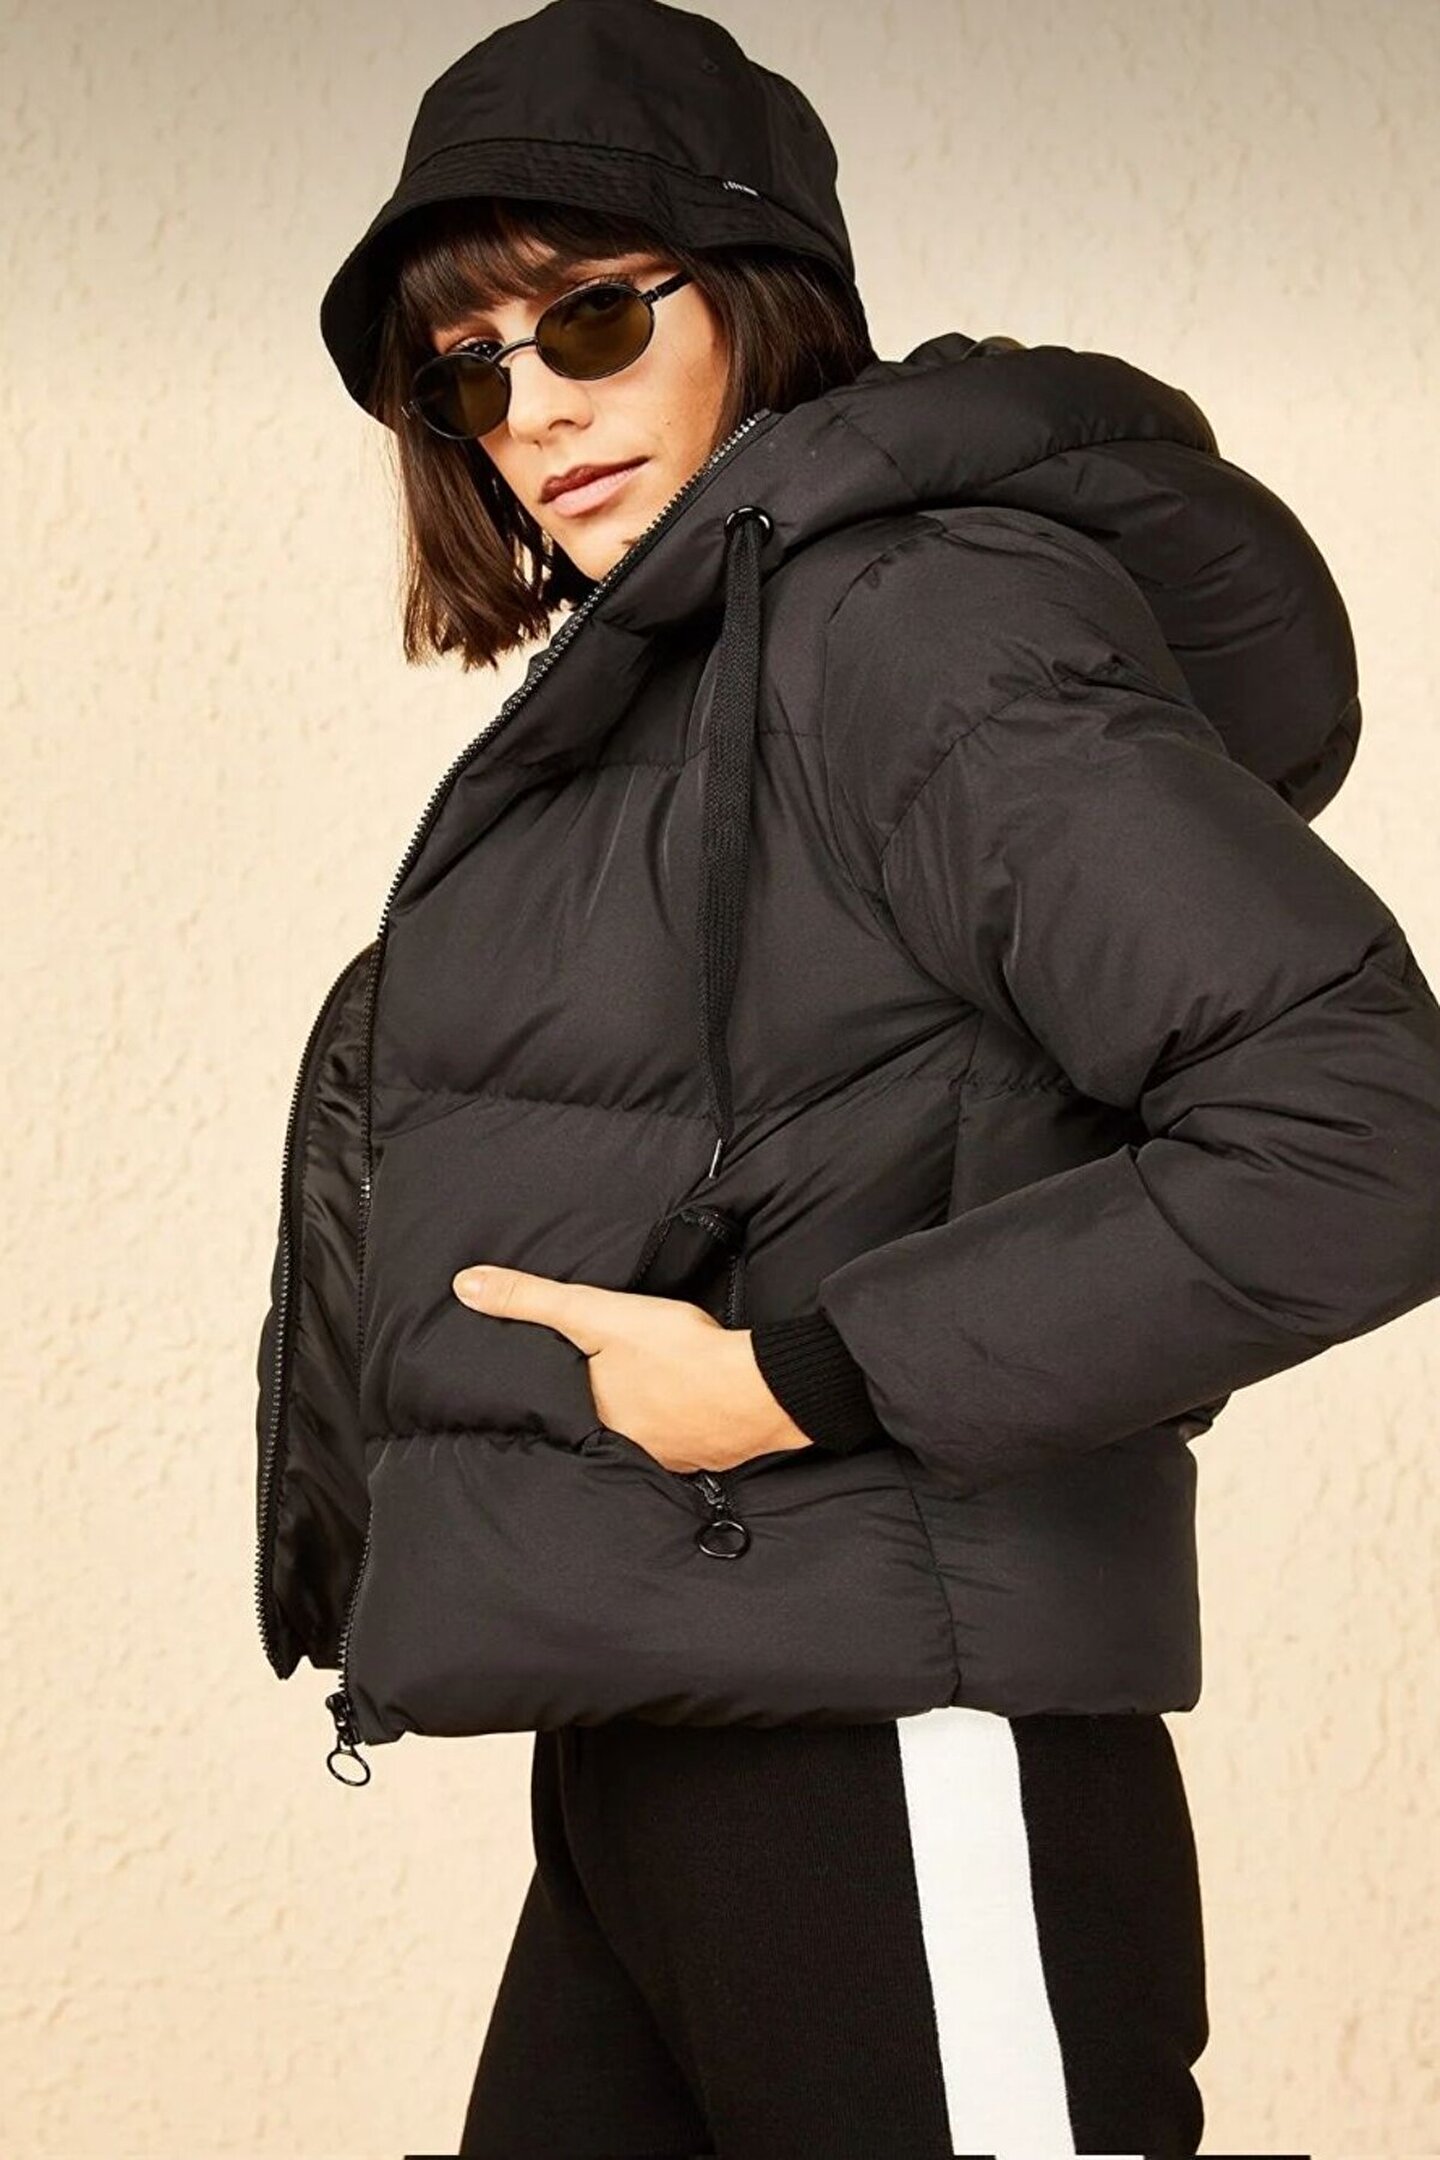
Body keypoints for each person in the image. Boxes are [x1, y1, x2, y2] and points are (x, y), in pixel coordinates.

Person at [254, 3, 1440, 2155]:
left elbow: (1364, 1124)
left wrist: (800, 1377)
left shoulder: (910, 622)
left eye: (591, 318)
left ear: (758, 291)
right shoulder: (682, 681)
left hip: (893, 1736)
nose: (535, 409)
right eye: (469, 372)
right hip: (653, 1734)